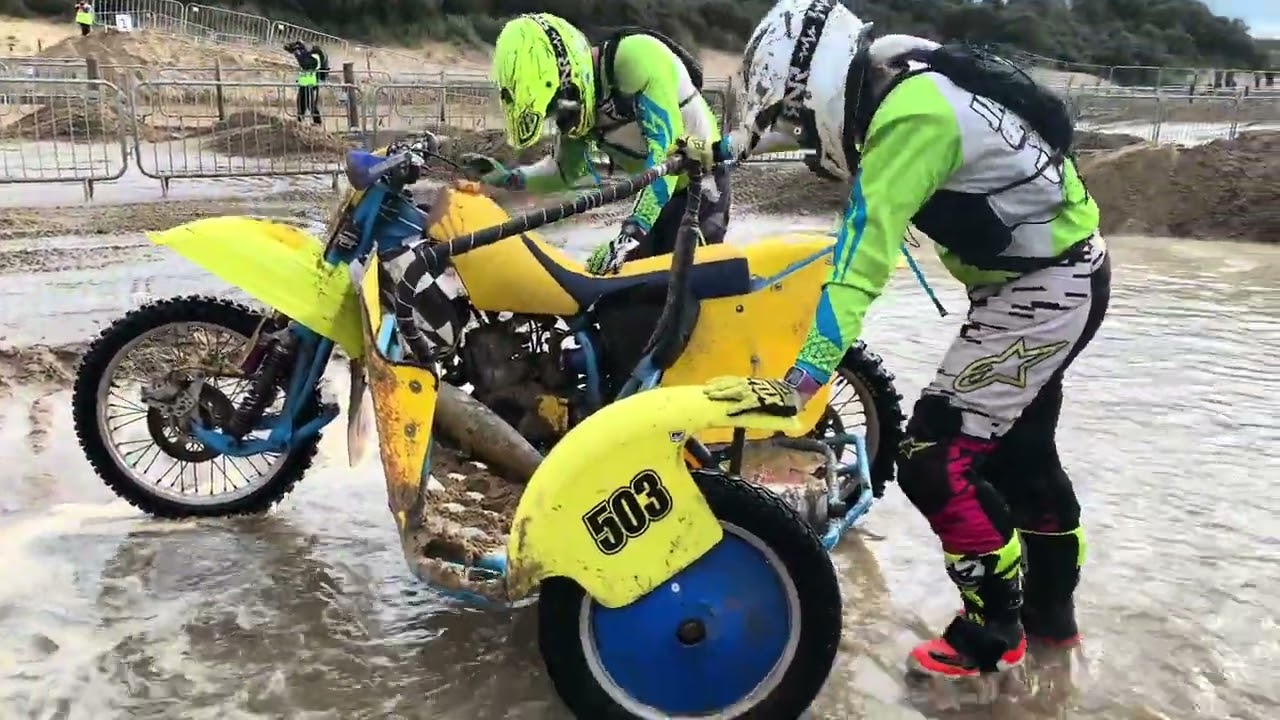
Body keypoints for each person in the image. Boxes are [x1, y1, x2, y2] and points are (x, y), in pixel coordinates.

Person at [705, 0, 1111, 680]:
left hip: (1044, 292)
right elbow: (776, 141)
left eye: (803, 117)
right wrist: (716, 152)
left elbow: (860, 264)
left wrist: (801, 382)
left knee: (933, 457)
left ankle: (993, 635)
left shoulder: (907, 120)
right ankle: (1052, 629)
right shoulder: (906, 70)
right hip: (1069, 274)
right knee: (1021, 461)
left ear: (825, 89)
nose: (806, 135)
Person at [460, 14, 730, 275]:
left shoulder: (635, 58)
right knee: (624, 298)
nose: (562, 119)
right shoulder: (577, 107)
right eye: (551, 112)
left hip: (701, 186)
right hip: (655, 196)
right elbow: (563, 173)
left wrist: (629, 236)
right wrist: (508, 178)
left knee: (681, 289)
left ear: (570, 73)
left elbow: (665, 157)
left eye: (558, 104)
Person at [285, 40, 322, 125]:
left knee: (311, 104)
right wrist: (297, 48)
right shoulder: (309, 55)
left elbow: (304, 64)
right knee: (300, 103)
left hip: (310, 84)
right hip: (303, 83)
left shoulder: (314, 58)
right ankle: (300, 121)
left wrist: (296, 52)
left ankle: (317, 122)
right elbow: (303, 56)